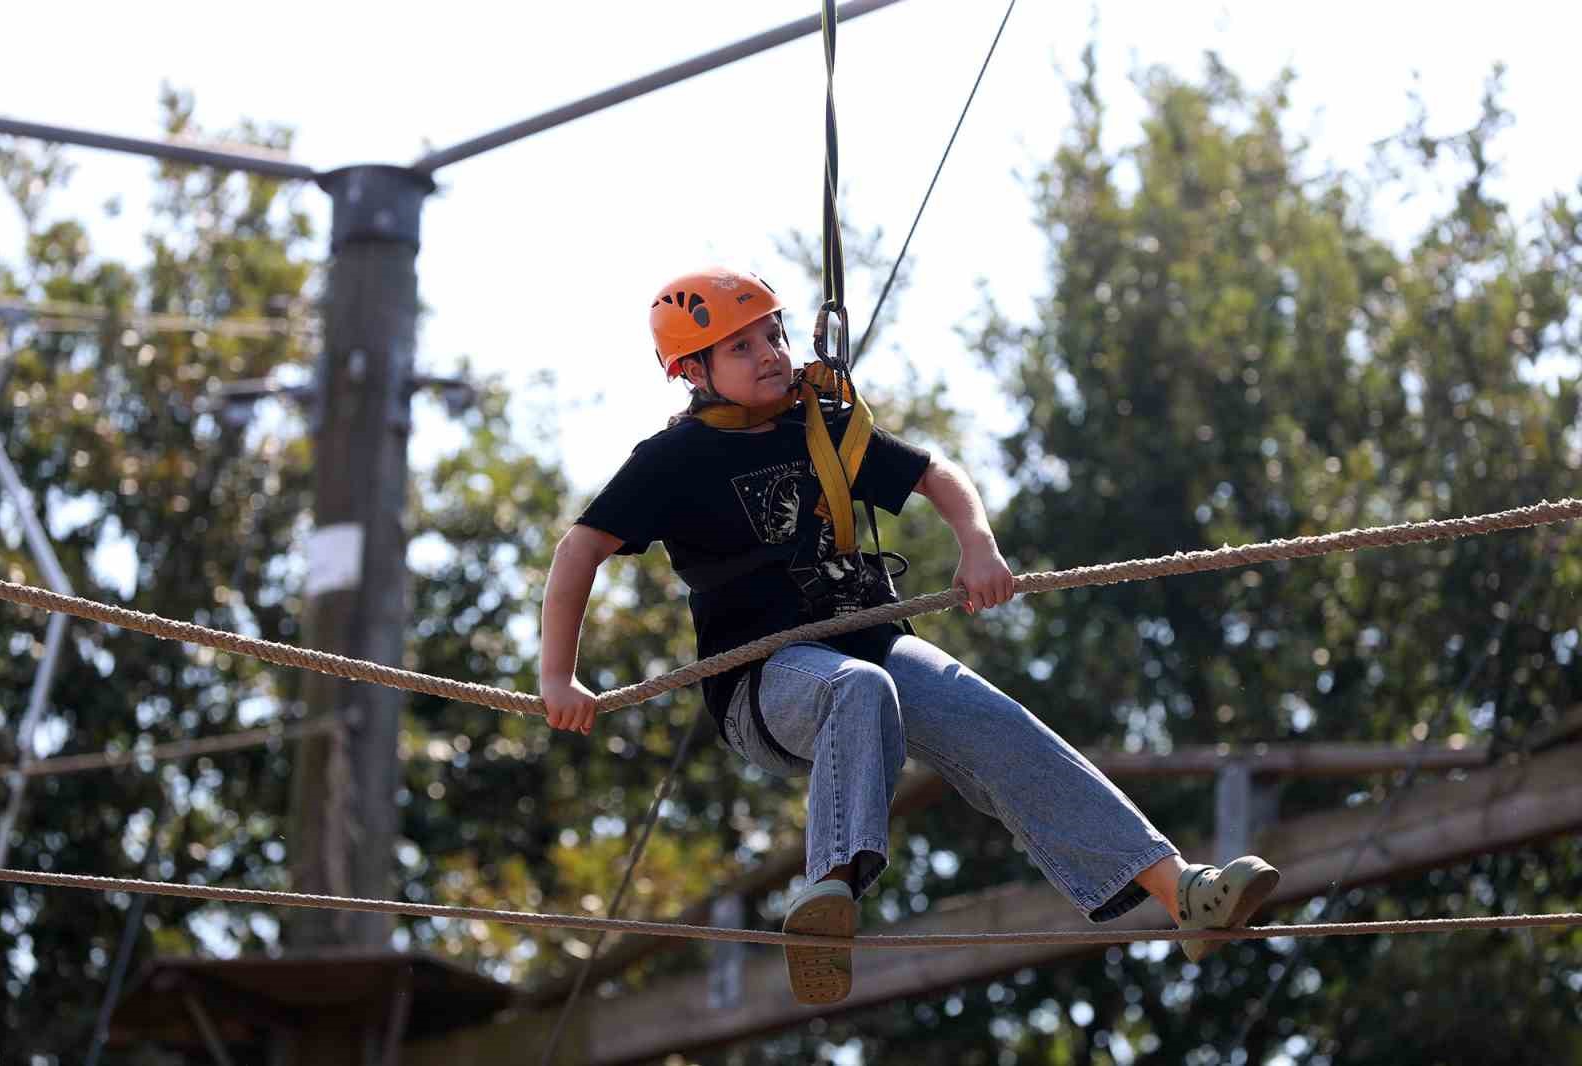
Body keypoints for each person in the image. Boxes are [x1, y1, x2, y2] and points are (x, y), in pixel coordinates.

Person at [538, 268, 1279, 1006]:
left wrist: (977, 544)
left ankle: (1180, 891)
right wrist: (558, 678)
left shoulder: (821, 424)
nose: (769, 353)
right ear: (693, 372)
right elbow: (579, 550)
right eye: (740, 348)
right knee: (857, 689)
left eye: (773, 333)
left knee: (994, 721)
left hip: (867, 642)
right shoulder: (674, 460)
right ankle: (828, 892)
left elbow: (935, 475)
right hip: (767, 683)